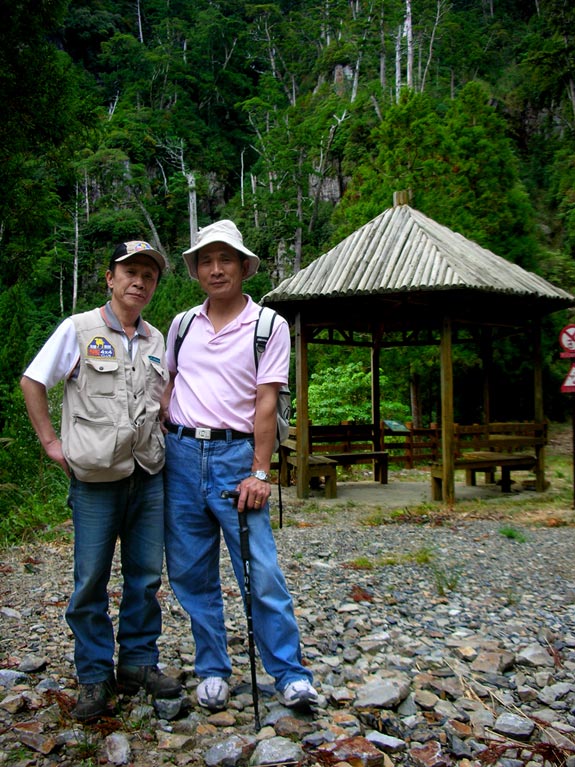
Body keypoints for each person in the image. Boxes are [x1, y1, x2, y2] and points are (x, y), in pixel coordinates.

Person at [20, 240, 182, 721]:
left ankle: (137, 662)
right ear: (110, 278)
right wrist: (51, 443)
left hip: (147, 474)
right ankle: (94, 674)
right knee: (90, 579)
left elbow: (161, 396)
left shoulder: (156, 340)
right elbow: (33, 381)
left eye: (148, 275)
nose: (139, 281)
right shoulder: (79, 329)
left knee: (145, 576)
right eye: (130, 272)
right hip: (93, 478)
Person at [162, 220, 318, 712]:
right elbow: (169, 386)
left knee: (260, 568)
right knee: (191, 572)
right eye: (206, 261)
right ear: (196, 270)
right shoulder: (182, 325)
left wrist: (260, 471)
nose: (215, 269)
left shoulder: (268, 326)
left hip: (237, 458)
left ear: (244, 267)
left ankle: (289, 672)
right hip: (180, 455)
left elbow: (266, 403)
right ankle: (212, 668)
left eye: (225, 259)